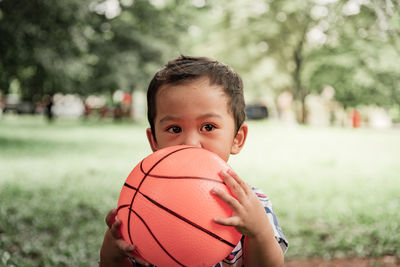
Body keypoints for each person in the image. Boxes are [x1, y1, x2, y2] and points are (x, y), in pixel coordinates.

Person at [100, 55, 288, 267]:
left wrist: (260, 232)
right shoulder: (140, 204)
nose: (190, 143)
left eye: (208, 127)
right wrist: (113, 253)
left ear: (237, 138)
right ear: (154, 141)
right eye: (175, 129)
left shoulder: (252, 203)